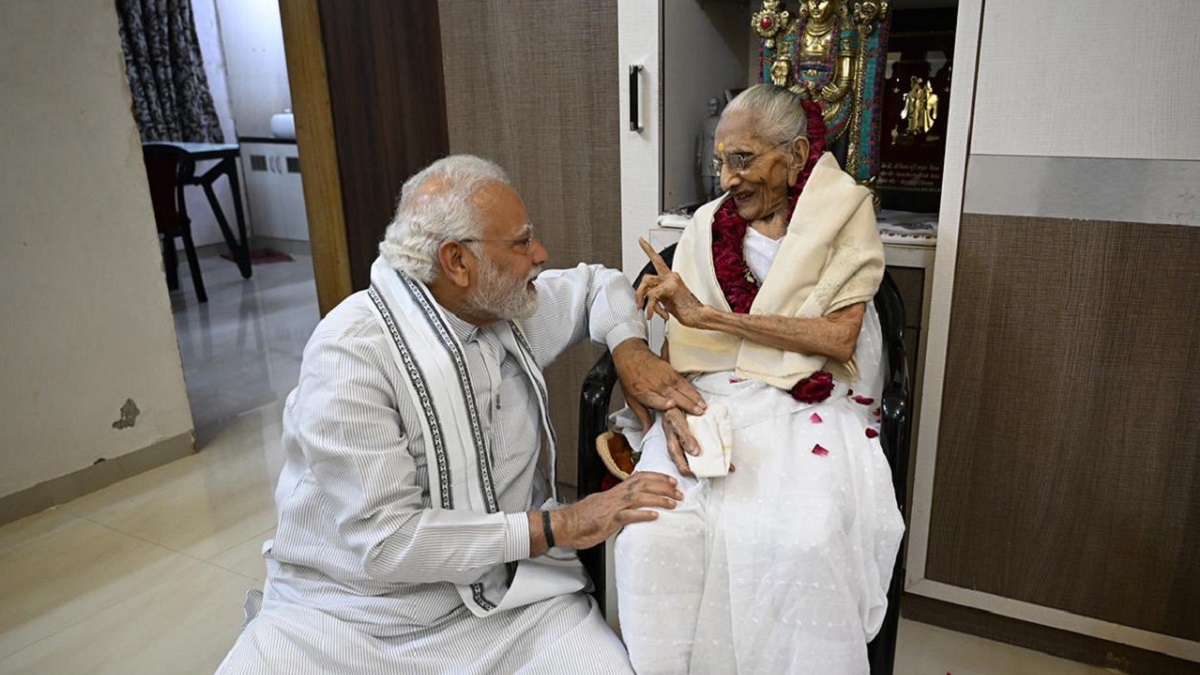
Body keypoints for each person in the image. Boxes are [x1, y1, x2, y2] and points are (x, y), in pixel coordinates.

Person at [216, 155, 707, 674]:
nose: (541, 254)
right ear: (457, 261)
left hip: (514, 599)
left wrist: (630, 351)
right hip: (351, 615)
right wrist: (562, 523)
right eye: (522, 242)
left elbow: (598, 287)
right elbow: (388, 543)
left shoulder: (505, 309)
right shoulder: (351, 356)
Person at [614, 84, 905, 674]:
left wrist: (710, 316)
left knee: (804, 541)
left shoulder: (844, 214)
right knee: (651, 536)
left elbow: (838, 339)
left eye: (743, 159)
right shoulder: (705, 226)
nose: (727, 179)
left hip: (813, 398)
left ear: (795, 156)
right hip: (711, 399)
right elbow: (678, 351)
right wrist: (670, 409)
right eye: (720, 161)